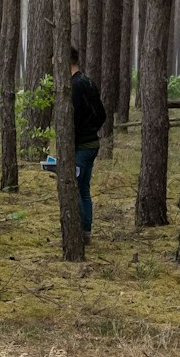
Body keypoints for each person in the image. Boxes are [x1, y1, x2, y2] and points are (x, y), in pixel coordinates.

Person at [69, 47, 107, 239]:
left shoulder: (74, 85)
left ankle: (78, 235)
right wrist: (91, 131)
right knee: (83, 189)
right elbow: (102, 114)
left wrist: (76, 140)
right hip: (91, 144)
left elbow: (74, 119)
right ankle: (85, 232)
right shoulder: (88, 81)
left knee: (75, 188)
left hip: (82, 147)